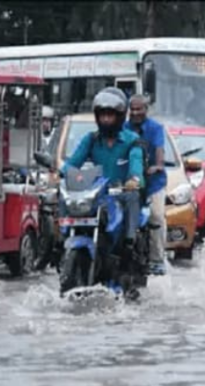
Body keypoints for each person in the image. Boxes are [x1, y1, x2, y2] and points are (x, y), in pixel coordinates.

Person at [59, 88, 145, 263]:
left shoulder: (132, 140)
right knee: (63, 197)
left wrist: (134, 179)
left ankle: (129, 245)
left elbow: (136, 163)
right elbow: (73, 163)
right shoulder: (90, 139)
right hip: (97, 196)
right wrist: (62, 173)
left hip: (120, 194)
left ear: (120, 116)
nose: (106, 119)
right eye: (102, 115)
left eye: (110, 115)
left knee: (132, 197)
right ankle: (59, 241)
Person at [124, 93, 168, 276]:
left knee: (156, 216)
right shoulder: (123, 128)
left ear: (146, 110)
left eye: (138, 109)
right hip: (129, 182)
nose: (135, 113)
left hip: (153, 183)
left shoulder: (156, 128)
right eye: (132, 109)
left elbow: (159, 150)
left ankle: (157, 259)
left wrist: (157, 166)